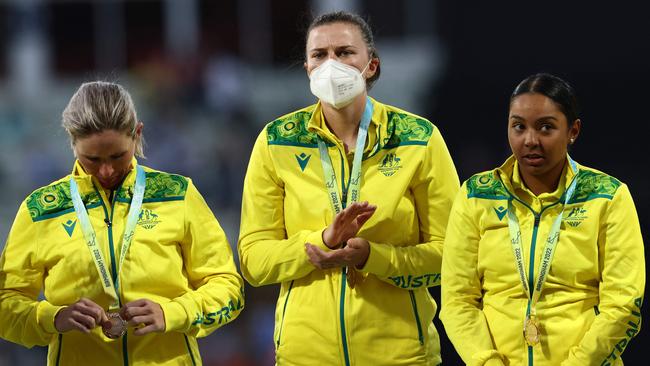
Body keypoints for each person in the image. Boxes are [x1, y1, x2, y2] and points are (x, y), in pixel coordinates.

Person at [238, 11, 459, 366]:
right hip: (305, 357)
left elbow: (453, 256)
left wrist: (374, 257)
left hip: (401, 356)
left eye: (344, 53)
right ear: (308, 69)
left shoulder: (419, 139)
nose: (331, 64)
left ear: (371, 65)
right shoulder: (276, 142)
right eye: (319, 55)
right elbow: (254, 260)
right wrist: (322, 241)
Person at [0, 81, 244, 365]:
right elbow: (5, 305)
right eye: (92, 159)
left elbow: (229, 290)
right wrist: (52, 317)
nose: (106, 170)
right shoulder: (40, 209)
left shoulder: (177, 195)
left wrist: (172, 313)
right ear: (72, 142)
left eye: (118, 156)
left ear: (137, 134)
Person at [441, 73, 645, 365]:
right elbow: (457, 301)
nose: (530, 140)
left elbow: (623, 305)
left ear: (573, 131)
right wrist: (486, 362)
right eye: (518, 127)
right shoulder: (476, 195)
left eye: (546, 127)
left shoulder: (608, 196)